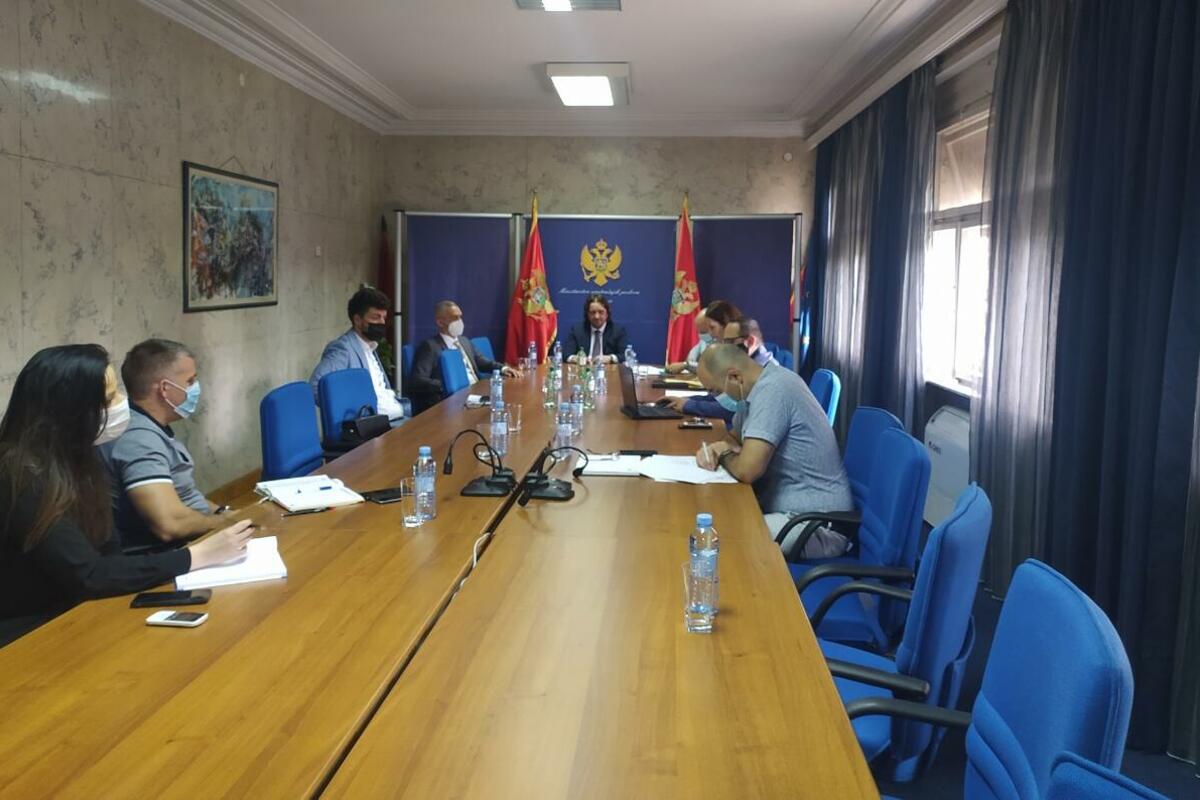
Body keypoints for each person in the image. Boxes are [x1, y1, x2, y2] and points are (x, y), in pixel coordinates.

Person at [0, 345, 253, 645]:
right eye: (109, 398)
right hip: (32, 630)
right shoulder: (19, 476)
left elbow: (108, 552)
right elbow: (88, 574)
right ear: (72, 408)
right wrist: (196, 555)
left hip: (85, 609)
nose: (122, 404)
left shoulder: (79, 458)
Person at [692, 344, 853, 559]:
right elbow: (733, 438)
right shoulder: (752, 392)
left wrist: (723, 453)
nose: (715, 397)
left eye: (715, 391)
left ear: (735, 377)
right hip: (789, 513)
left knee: (718, 537)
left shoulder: (774, 391)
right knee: (710, 520)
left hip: (816, 525)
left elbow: (747, 471)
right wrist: (720, 447)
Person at [98, 339, 225, 551]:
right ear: (165, 388)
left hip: (193, 535)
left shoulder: (147, 424)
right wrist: (223, 524)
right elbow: (170, 525)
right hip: (166, 554)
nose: (196, 388)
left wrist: (222, 513)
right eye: (190, 381)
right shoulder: (138, 439)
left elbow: (185, 494)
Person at [310, 287, 407, 425]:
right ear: (357, 320)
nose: (382, 323)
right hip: (374, 428)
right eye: (376, 317)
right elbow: (315, 386)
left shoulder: (371, 346)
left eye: (384, 318)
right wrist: (350, 411)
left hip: (398, 418)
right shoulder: (343, 349)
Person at [409, 300, 520, 413]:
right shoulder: (430, 347)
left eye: (460, 317)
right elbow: (417, 381)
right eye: (455, 318)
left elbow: (482, 362)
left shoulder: (464, 341)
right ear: (440, 322)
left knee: (509, 404)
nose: (460, 321)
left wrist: (503, 368)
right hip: (451, 402)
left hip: (476, 394)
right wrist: (447, 384)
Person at [563, 294, 628, 363]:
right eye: (592, 312)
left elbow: (625, 355)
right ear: (587, 314)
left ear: (607, 314)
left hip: (608, 368)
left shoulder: (617, 331)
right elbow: (566, 355)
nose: (596, 316)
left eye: (601, 312)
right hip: (583, 368)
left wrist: (610, 358)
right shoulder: (577, 330)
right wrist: (577, 359)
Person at [664, 308, 713, 374]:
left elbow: (711, 369)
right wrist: (685, 364)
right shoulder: (704, 341)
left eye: (703, 332)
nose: (700, 335)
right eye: (698, 332)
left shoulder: (723, 342)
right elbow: (691, 358)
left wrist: (686, 365)